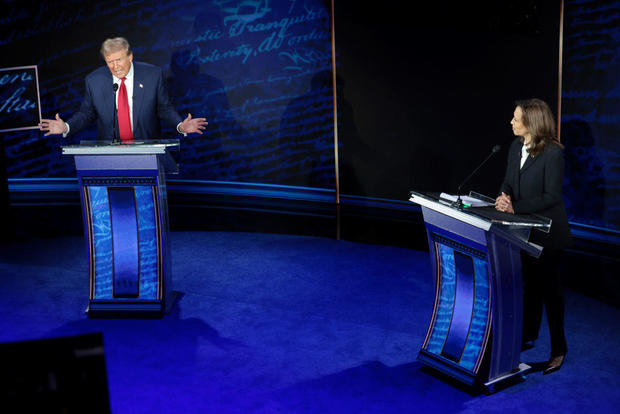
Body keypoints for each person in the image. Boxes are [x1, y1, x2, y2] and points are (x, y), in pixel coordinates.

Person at [495, 98, 572, 375]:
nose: (512, 122)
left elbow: (551, 196)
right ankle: (527, 335)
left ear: (532, 122)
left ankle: (559, 350)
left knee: (551, 294)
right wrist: (504, 197)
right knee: (530, 288)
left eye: (516, 118)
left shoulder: (552, 153)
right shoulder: (516, 146)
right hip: (523, 230)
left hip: (549, 234)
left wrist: (515, 206)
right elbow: (508, 180)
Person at [39, 37, 207, 140]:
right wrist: (66, 127)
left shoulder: (153, 75)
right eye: (110, 61)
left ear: (130, 56)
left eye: (119, 60)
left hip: (147, 150)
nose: (115, 66)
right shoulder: (94, 80)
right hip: (109, 154)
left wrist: (180, 125)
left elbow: (163, 108)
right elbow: (87, 113)